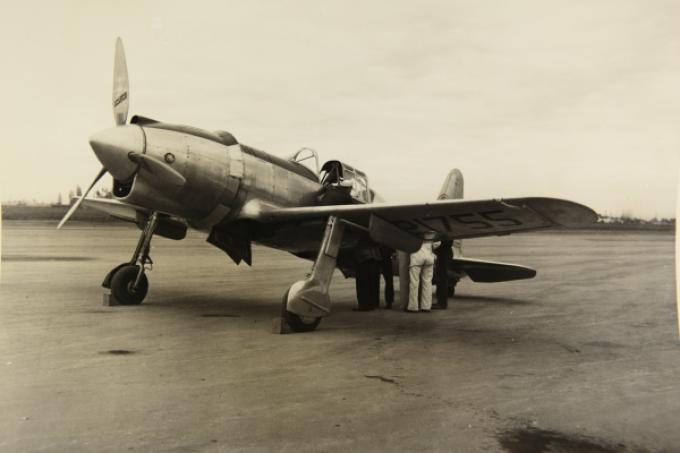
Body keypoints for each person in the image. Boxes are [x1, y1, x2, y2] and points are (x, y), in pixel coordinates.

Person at [407, 235, 439, 312]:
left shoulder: (416, 229)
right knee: (427, 282)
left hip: (416, 256)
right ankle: (426, 306)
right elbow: (437, 243)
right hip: (429, 256)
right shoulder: (432, 231)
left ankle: (413, 307)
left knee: (414, 282)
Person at [353, 240, 381, 311]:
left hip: (363, 256)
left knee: (362, 282)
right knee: (372, 281)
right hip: (374, 255)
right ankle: (372, 304)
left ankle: (364, 305)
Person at [433, 240, 453, 309]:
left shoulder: (445, 235)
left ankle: (441, 303)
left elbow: (445, 243)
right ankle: (441, 303)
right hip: (446, 254)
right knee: (442, 280)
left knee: (441, 280)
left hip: (443, 255)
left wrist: (434, 250)